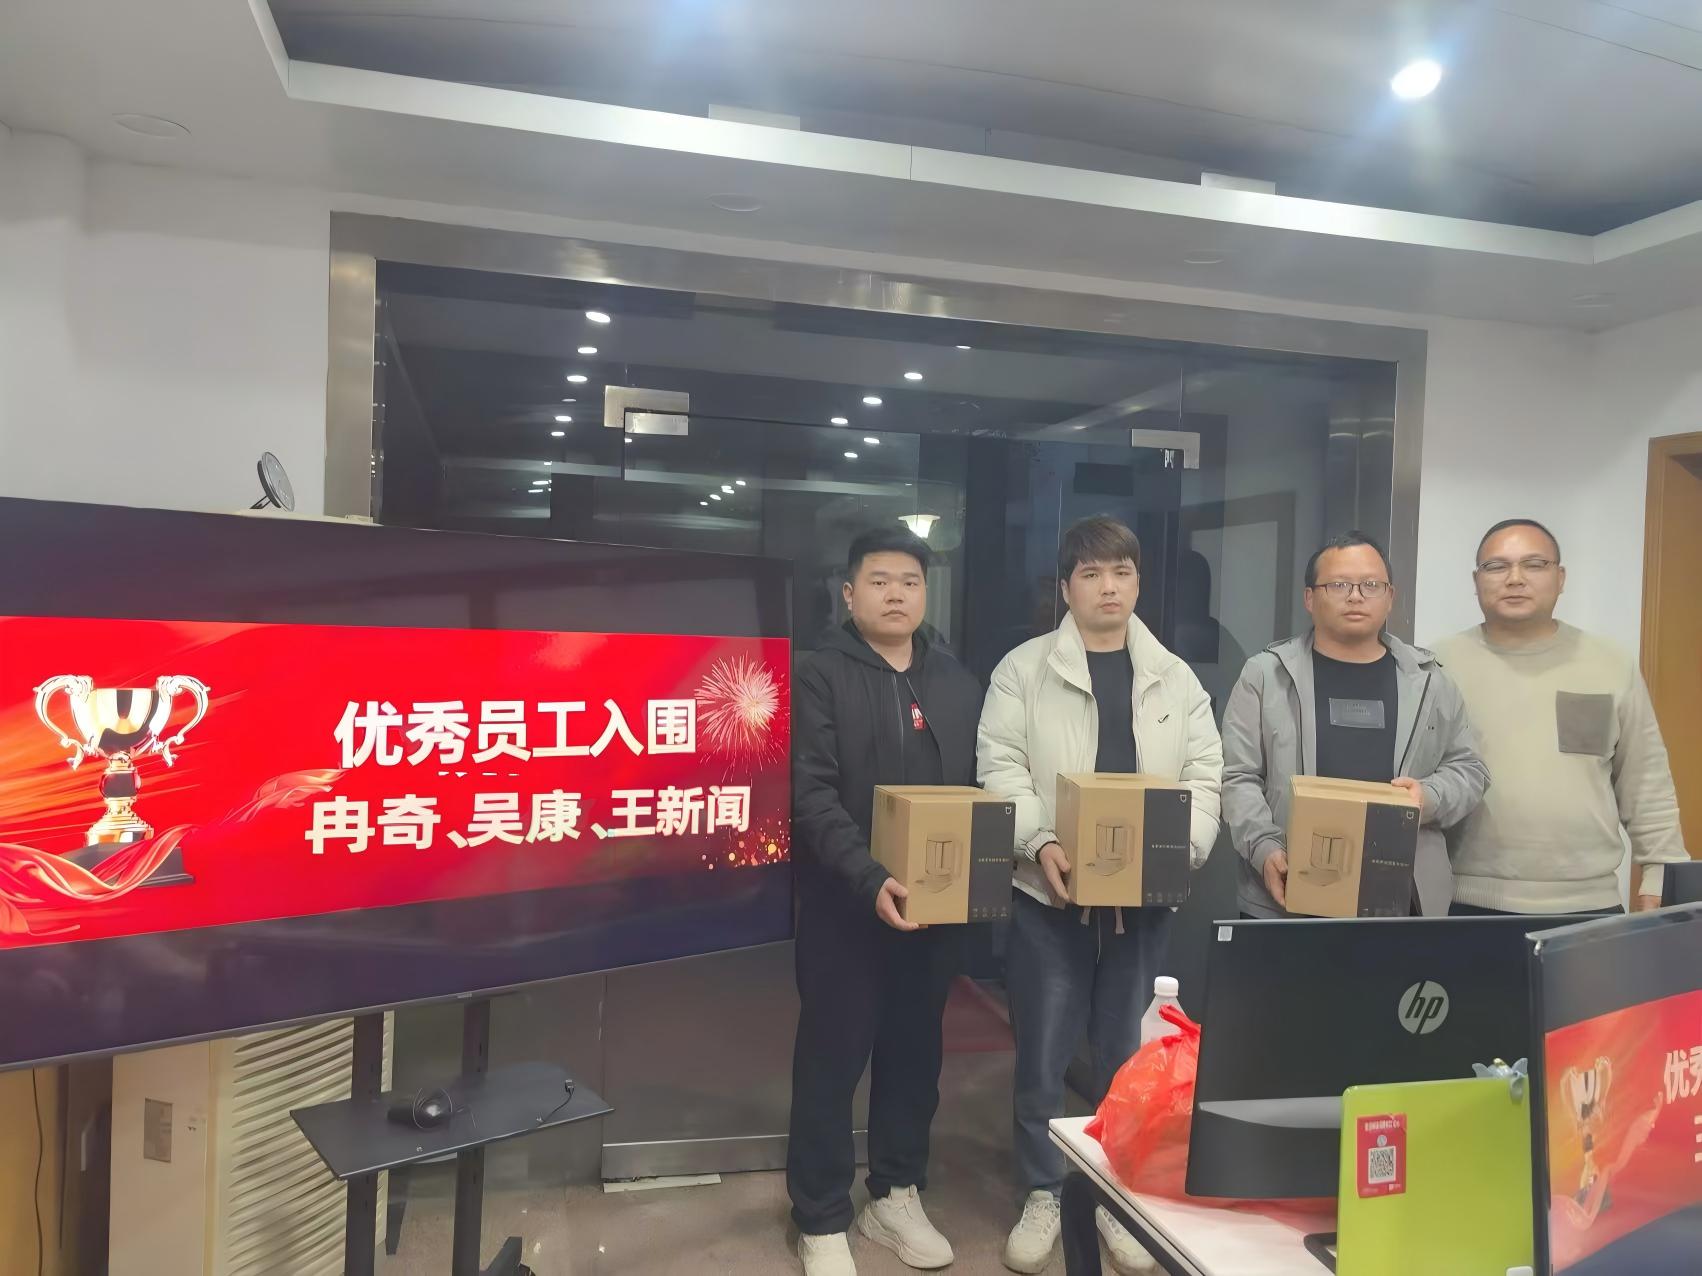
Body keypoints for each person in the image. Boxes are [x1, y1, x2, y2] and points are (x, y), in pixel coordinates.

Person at [979, 516, 1223, 1275]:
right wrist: (1039, 842)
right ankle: (1044, 1190)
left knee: (1126, 1055)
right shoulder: (1023, 670)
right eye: (1090, 574)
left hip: (1142, 905)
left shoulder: (1175, 678)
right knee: (1044, 1056)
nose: (1107, 587)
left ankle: (1115, 1194)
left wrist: (1174, 856)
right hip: (1046, 897)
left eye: (1120, 572)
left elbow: (1205, 779)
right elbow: (1000, 765)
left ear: (1138, 583)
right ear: (1066, 588)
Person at [787, 527, 985, 1276]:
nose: (896, 594)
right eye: (879, 581)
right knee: (831, 1059)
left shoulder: (956, 682)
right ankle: (820, 1216)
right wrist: (870, 879)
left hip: (932, 907)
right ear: (849, 593)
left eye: (910, 581)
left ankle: (896, 1193)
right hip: (846, 905)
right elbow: (810, 794)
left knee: (914, 1054)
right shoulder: (819, 675)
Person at [1222, 531, 1488, 918]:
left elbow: (1470, 769)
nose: (1356, 596)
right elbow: (1239, 777)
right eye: (1339, 585)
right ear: (1309, 598)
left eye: (1371, 585)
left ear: (1390, 597)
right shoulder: (1266, 676)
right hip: (1289, 892)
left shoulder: (1430, 681)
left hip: (1400, 897)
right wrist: (1265, 849)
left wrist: (1427, 797)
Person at [1432, 518, 1687, 915]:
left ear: (1560, 577)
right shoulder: (1437, 666)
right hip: (1464, 901)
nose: (1515, 578)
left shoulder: (1608, 663)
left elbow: (1646, 780)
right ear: (1476, 580)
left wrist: (1661, 874)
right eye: (1496, 566)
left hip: (1590, 905)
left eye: (1535, 564)